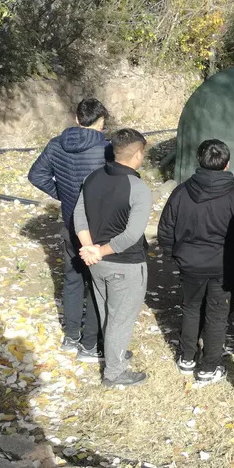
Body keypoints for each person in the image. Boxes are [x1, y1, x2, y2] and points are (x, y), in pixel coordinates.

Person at [157, 139, 234, 385]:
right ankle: (208, 367)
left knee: (191, 308)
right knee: (217, 316)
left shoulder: (181, 192)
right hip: (224, 267)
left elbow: (166, 228)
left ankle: (187, 357)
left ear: (199, 161)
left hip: (190, 264)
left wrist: (172, 255)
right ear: (227, 163)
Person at [27, 98, 110, 360]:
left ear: (76, 119)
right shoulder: (107, 149)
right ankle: (89, 345)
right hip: (99, 226)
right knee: (97, 285)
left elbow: (36, 175)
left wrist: (64, 195)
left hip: (70, 224)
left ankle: (70, 337)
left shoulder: (55, 145)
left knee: (72, 282)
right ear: (101, 122)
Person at [73, 128, 152, 387]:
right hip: (125, 264)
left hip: (96, 263)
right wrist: (99, 250)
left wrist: (89, 248)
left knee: (108, 312)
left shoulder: (92, 178)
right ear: (138, 154)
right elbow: (131, 235)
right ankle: (115, 373)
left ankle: (113, 353)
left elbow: (79, 216)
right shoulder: (138, 188)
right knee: (121, 318)